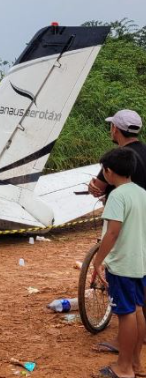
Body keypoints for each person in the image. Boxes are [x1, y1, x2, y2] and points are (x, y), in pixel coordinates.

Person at [89, 110, 146, 356]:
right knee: (139, 305)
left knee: (127, 310)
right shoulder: (139, 190)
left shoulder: (117, 161)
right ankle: (136, 356)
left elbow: (112, 233)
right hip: (141, 236)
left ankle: (124, 355)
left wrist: (98, 261)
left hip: (123, 249)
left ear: (115, 129)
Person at [89, 109, 146, 198]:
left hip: (122, 210)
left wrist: (91, 187)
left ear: (115, 128)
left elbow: (98, 188)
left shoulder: (118, 157)